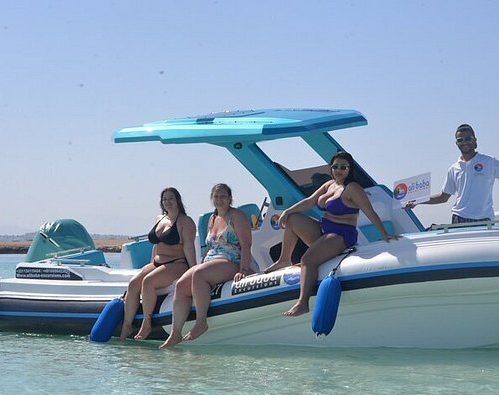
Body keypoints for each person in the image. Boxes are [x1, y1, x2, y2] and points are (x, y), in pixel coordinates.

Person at [264, 151, 397, 317]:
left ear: (350, 169)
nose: (338, 170)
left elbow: (369, 212)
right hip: (324, 229)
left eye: (343, 167)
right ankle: (284, 259)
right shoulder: (329, 185)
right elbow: (310, 201)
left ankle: (303, 303)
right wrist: (287, 211)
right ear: (331, 168)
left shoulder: (353, 188)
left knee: (307, 260)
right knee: (292, 219)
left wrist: (384, 233)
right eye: (335, 166)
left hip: (341, 235)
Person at [159, 183, 254, 348]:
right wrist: (201, 264)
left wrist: (243, 270)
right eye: (216, 197)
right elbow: (210, 247)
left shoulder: (237, 216)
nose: (219, 200)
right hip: (212, 260)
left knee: (199, 274)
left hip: (232, 260)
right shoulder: (212, 218)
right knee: (181, 285)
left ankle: (201, 322)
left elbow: (246, 245)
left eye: (223, 196)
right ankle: (175, 333)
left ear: (230, 198)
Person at [118, 187, 196, 341]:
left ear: (178, 200)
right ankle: (127, 325)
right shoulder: (160, 219)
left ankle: (147, 323)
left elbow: (189, 247)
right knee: (133, 284)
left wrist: (193, 271)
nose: (168, 202)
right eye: (164, 199)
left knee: (148, 282)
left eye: (171, 198)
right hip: (157, 262)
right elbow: (156, 245)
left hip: (177, 263)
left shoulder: (185, 222)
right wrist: (150, 265)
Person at [406, 124, 499, 223]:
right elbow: (443, 197)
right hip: (459, 218)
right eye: (460, 140)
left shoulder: (490, 162)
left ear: (475, 140)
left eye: (468, 138)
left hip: (484, 219)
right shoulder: (453, 169)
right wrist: (418, 200)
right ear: (457, 143)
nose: (464, 142)